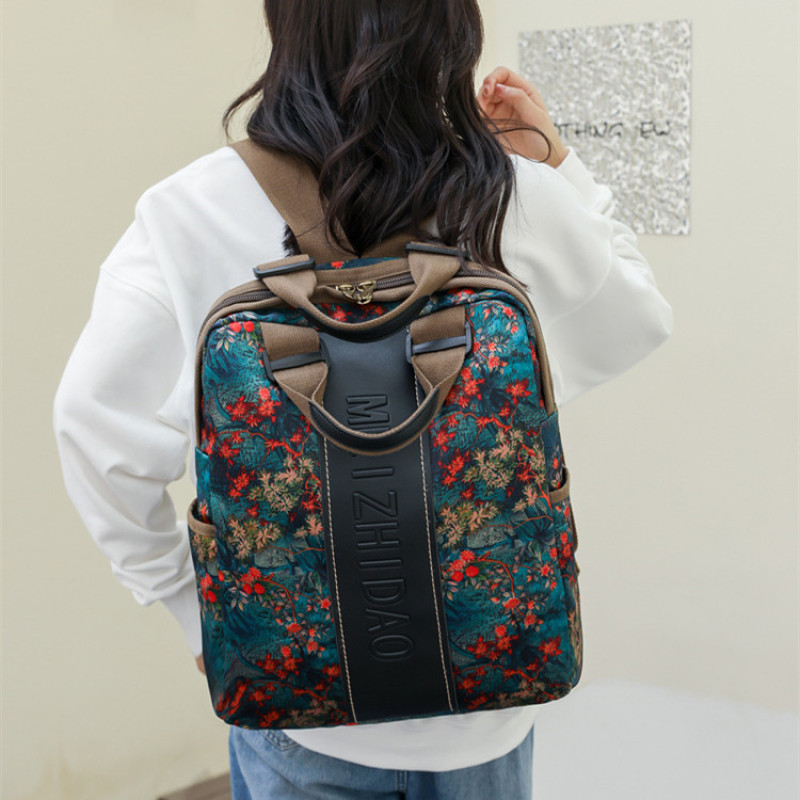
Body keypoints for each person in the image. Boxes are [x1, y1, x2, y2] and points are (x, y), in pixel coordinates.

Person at [53, 1, 673, 798]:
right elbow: (639, 316)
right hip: (490, 700)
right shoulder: (512, 192)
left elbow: (92, 429)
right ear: (447, 30)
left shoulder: (189, 208)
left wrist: (192, 607)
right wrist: (556, 163)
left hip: (298, 704)